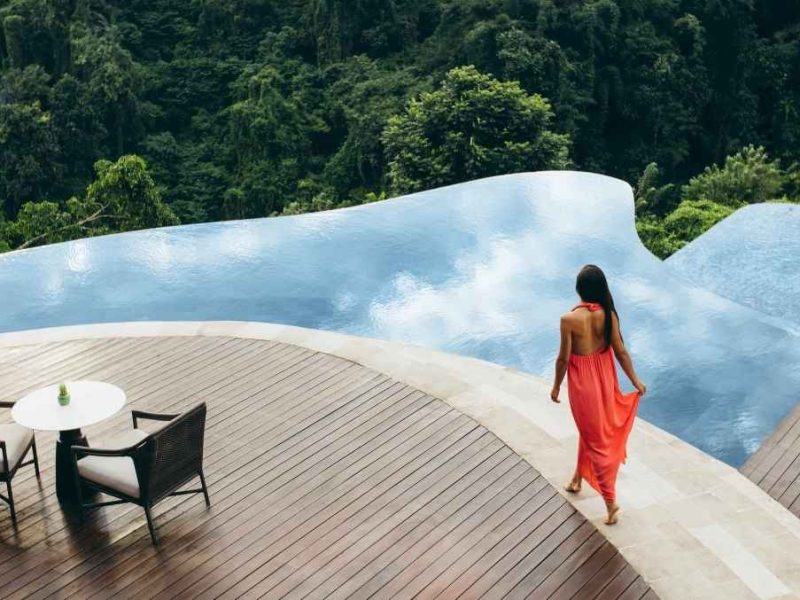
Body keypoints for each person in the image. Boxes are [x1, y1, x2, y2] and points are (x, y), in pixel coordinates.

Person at [549, 264, 647, 525]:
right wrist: (635, 381)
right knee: (590, 432)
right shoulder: (608, 315)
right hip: (605, 381)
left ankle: (611, 503)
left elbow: (562, 360)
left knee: (595, 441)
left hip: (584, 388)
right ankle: (577, 479)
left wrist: (557, 386)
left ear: (579, 290)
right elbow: (621, 352)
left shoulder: (569, 320)